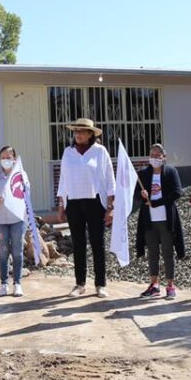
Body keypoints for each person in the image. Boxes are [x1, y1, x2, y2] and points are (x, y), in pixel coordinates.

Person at [55, 117, 116, 298]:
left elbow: (110, 179)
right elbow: (63, 179)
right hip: (73, 202)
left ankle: (100, 284)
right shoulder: (68, 152)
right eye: (76, 132)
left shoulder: (100, 151)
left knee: (97, 243)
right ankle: (80, 284)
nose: (78, 135)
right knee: (78, 244)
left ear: (90, 134)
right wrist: (61, 205)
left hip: (95, 202)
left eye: (82, 132)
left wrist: (111, 206)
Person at [134, 144, 186, 300]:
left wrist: (157, 203)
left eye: (158, 155)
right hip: (149, 220)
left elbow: (177, 192)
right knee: (152, 253)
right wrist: (142, 195)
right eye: (152, 155)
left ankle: (170, 285)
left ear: (164, 157)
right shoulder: (143, 174)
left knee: (168, 253)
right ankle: (154, 285)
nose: (155, 158)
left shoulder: (171, 172)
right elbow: (136, 195)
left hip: (166, 219)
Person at [0, 146, 30, 297]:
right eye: (3, 157)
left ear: (14, 159)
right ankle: (3, 284)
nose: (6, 160)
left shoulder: (21, 175)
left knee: (17, 252)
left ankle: (17, 283)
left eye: (9, 157)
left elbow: (27, 195)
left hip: (17, 219)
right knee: (3, 253)